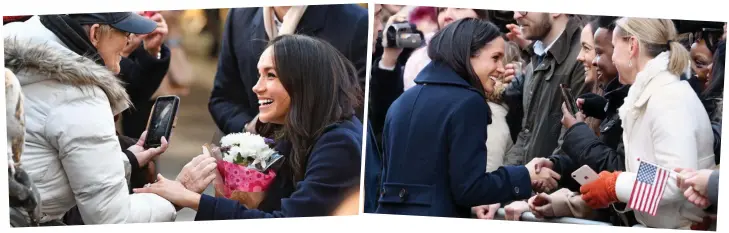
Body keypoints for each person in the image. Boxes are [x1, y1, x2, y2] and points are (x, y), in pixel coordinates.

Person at [136, 34, 363, 219]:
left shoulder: (339, 144)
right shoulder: (290, 129)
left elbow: (288, 221)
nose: (256, 87)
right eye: (258, 74)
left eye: (270, 75)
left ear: (304, 83)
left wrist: (190, 198)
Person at [3, 13, 177, 224]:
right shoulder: (81, 95)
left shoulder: (16, 59)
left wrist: (128, 159)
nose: (130, 41)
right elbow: (111, 219)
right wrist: (174, 198)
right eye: (125, 32)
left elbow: (44, 166)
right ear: (95, 34)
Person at [375, 18, 560, 218]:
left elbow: (421, 184)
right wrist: (525, 175)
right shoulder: (468, 101)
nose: (500, 67)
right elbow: (470, 188)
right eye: (495, 57)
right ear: (467, 56)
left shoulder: (401, 102)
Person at [578, 17, 715, 230]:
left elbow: (676, 180)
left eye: (614, 47)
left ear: (632, 45)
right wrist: (616, 181)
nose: (613, 57)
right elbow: (659, 170)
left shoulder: (668, 98)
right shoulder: (656, 94)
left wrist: (615, 185)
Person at [209, 5, 368, 136]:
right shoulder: (239, 15)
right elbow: (223, 98)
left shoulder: (356, 22)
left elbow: (357, 107)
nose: (257, 87)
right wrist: (249, 132)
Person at [502, 12, 587, 166]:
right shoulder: (536, 56)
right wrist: (511, 178)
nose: (516, 15)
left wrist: (542, 178)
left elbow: (572, 142)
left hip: (555, 186)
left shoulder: (582, 57)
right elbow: (526, 133)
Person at [402, 8, 491, 91]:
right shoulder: (419, 59)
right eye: (442, 9)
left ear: (480, 16)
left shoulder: (499, 51)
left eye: (458, 7)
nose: (447, 15)